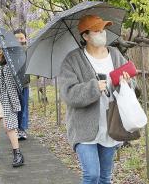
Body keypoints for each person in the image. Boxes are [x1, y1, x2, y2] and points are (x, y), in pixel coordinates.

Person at [58, 15, 132, 184]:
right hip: (83, 128)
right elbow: (68, 93)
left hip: (110, 125)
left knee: (105, 178)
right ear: (85, 36)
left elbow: (131, 85)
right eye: (97, 31)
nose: (102, 34)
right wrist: (93, 87)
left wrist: (127, 82)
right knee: (91, 175)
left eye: (103, 30)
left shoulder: (114, 54)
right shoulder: (73, 60)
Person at [13, 28, 29, 140]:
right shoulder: (9, 51)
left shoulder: (28, 49)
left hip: (24, 83)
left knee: (23, 106)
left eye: (21, 38)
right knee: (15, 106)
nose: (19, 40)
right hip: (13, 83)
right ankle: (15, 128)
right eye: (16, 38)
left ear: (25, 38)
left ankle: (22, 129)